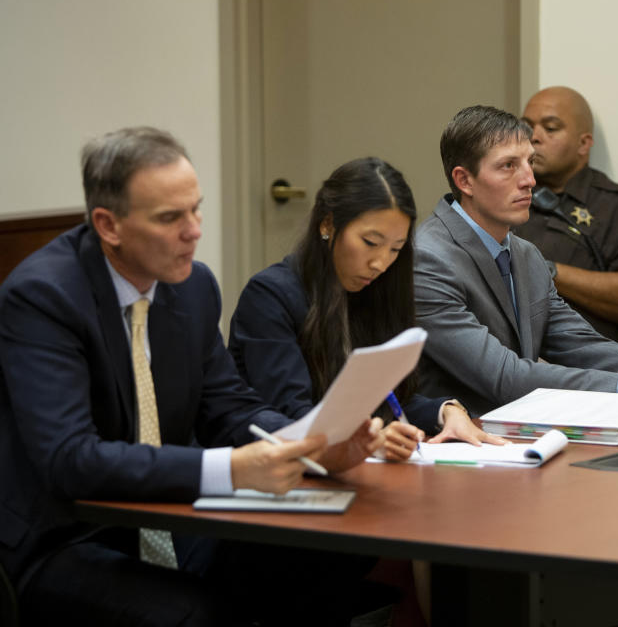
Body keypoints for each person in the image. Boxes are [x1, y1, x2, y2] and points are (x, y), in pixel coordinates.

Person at [0, 127, 385, 626]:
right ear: (108, 225)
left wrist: (313, 441)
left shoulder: (193, 286)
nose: (194, 231)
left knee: (329, 554)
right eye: (170, 218)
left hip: (171, 517)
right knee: (193, 613)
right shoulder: (43, 297)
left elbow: (229, 406)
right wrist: (233, 470)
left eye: (196, 209)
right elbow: (70, 460)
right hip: (64, 535)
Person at [414, 105, 618, 416]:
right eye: (508, 166)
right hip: (455, 442)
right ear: (465, 181)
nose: (529, 180)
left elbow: (577, 342)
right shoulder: (428, 259)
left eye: (529, 162)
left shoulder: (525, 253)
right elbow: (503, 376)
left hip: (521, 431)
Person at [229, 157, 506, 459]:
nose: (381, 263)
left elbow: (391, 399)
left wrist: (445, 411)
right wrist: (366, 439)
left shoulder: (374, 290)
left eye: (395, 249)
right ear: (327, 224)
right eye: (370, 242)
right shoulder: (270, 296)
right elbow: (292, 414)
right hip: (282, 473)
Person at [513, 86, 618, 344]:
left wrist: (547, 271)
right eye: (526, 126)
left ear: (584, 143)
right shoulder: (502, 195)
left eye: (551, 128)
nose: (534, 137)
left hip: (584, 365)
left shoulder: (615, 206)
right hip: (505, 357)